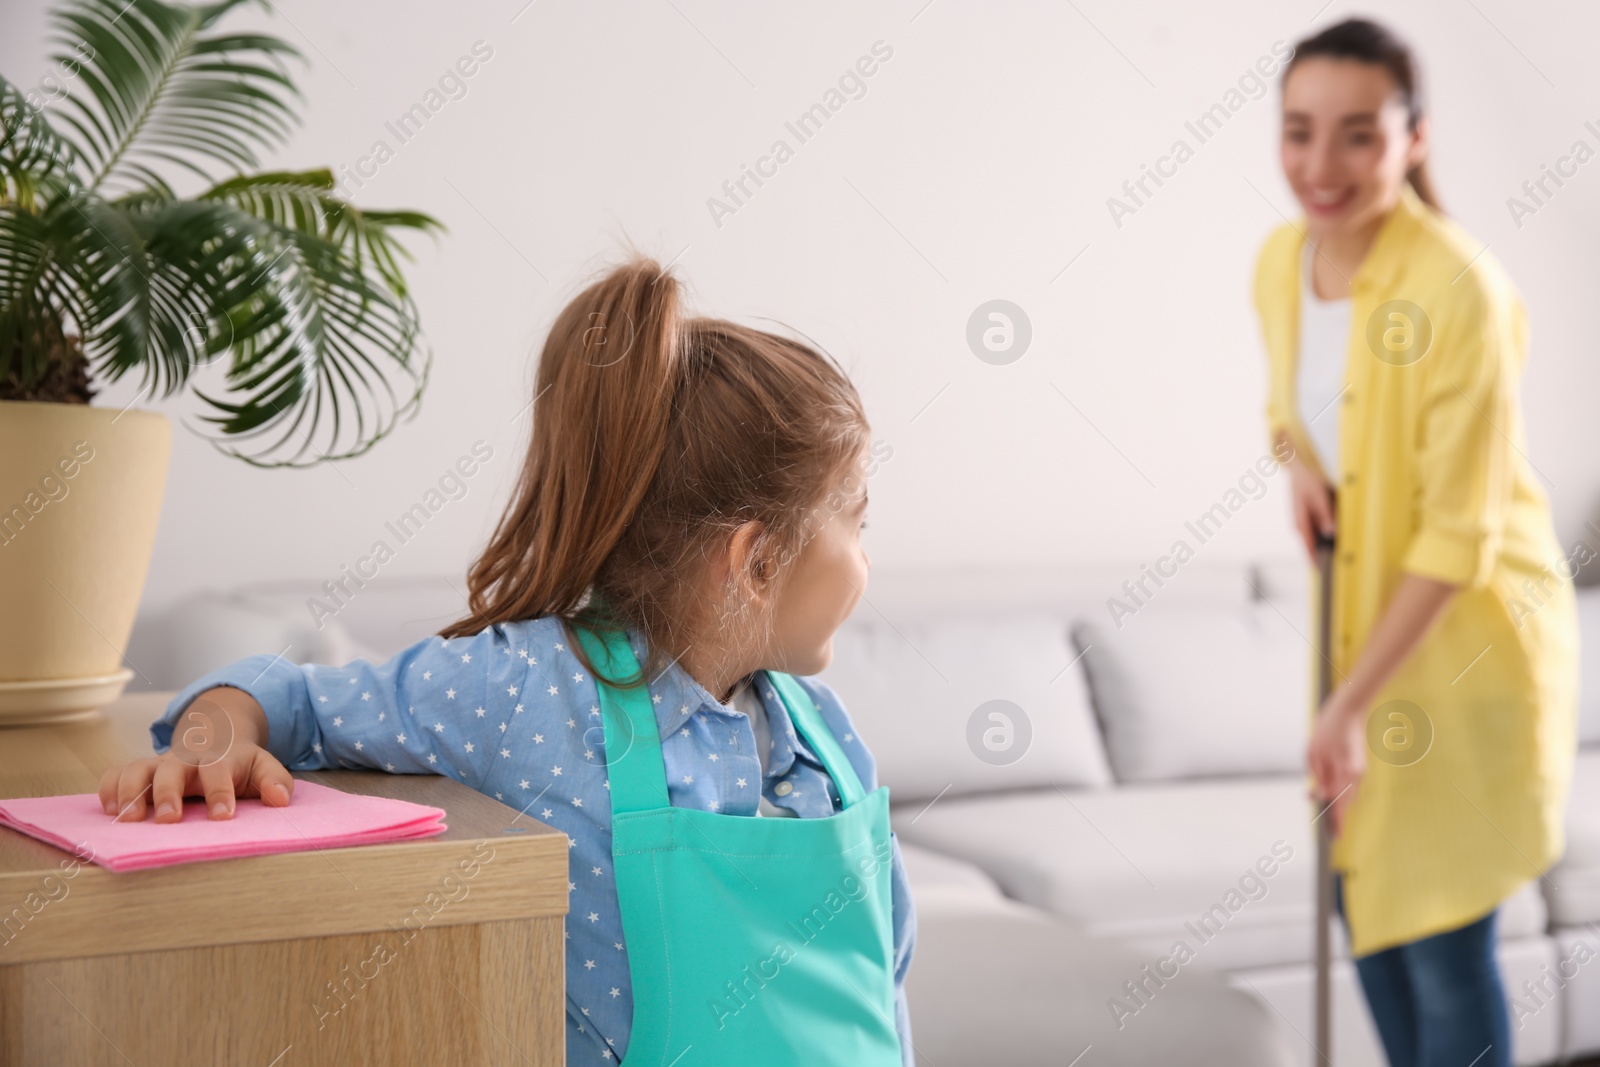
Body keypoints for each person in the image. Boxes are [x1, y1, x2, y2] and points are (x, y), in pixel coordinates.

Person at [97, 258, 914, 1066]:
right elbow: (295, 699)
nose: (867, 561)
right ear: (759, 560)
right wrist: (215, 739)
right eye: (857, 521)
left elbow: (887, 980)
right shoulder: (521, 689)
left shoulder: (826, 741)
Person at [1254, 18, 1580, 1067]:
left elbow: (1461, 533)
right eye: (1298, 132)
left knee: (1440, 940)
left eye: (1357, 135)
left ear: (1415, 136)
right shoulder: (1279, 262)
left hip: (1467, 647)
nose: (1320, 164)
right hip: (1366, 640)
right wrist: (1295, 459)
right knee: (1369, 924)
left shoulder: (1459, 289)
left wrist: (1347, 708)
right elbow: (1294, 402)